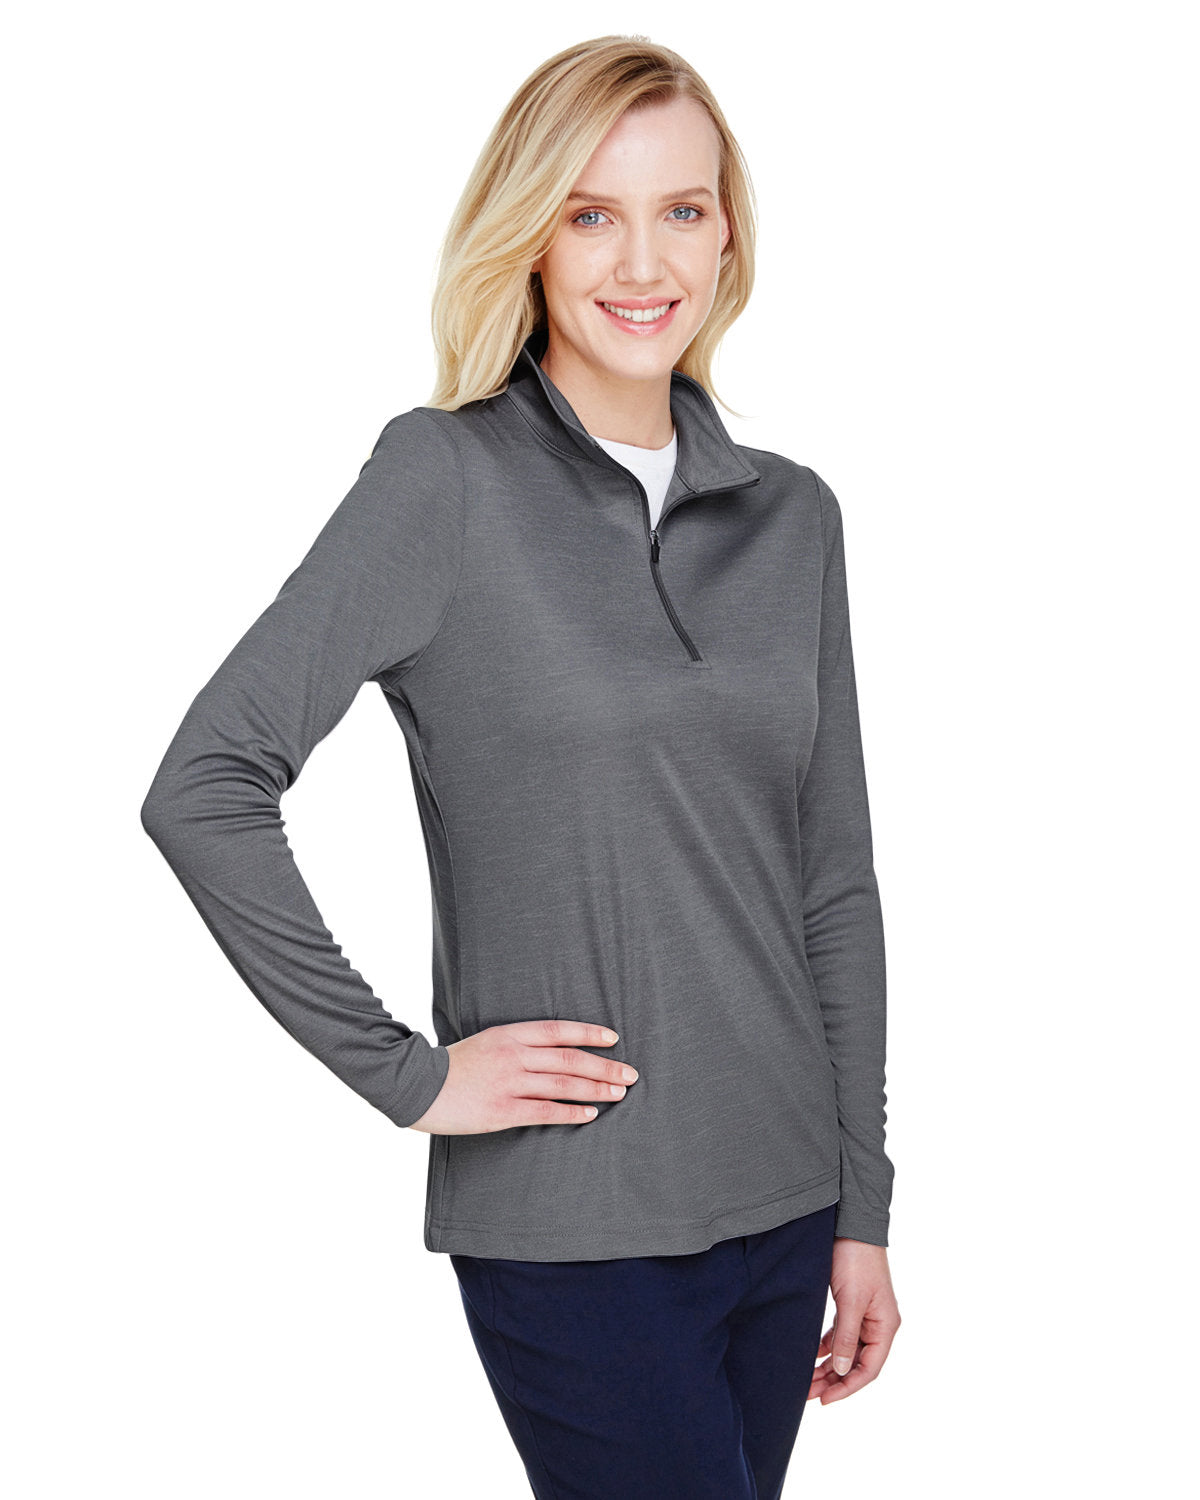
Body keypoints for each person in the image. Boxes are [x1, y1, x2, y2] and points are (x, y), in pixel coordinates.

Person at [141, 32, 901, 1500]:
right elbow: (207, 784)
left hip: (788, 1202)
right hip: (577, 1217)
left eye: (682, 209)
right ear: (532, 237)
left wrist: (862, 1203)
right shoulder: (443, 480)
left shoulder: (794, 517)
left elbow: (832, 881)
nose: (643, 261)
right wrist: (406, 1076)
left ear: (729, 233)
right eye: (591, 212)